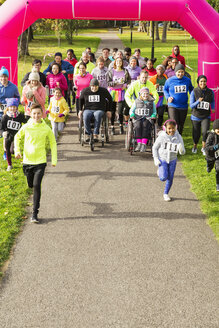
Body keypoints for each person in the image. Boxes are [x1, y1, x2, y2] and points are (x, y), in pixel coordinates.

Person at [15, 104, 57, 223]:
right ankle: (30, 185)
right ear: (30, 113)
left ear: (42, 114)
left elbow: (53, 143)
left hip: (40, 162)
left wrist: (54, 160)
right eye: (34, 113)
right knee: (30, 185)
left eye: (38, 113)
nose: (36, 116)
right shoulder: (26, 127)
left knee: (37, 185)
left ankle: (34, 214)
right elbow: (17, 137)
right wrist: (17, 151)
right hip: (27, 162)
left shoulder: (46, 128)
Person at [152, 119, 185, 201]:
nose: (171, 130)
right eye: (169, 128)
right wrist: (156, 158)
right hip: (163, 159)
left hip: (173, 160)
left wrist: (181, 150)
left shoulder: (178, 136)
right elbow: (154, 147)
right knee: (163, 178)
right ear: (165, 128)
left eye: (173, 128)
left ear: (176, 128)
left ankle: (166, 193)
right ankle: (160, 171)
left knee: (170, 178)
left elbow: (183, 152)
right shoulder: (162, 137)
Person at [164, 63, 193, 135]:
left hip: (183, 106)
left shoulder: (187, 80)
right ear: (175, 72)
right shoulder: (170, 80)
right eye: (178, 72)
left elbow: (191, 90)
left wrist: (193, 98)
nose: (180, 74)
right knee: (174, 123)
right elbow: (165, 89)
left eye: (182, 72)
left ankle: (178, 137)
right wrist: (168, 97)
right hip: (173, 105)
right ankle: (172, 138)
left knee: (181, 124)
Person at [190, 75, 215, 155]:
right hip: (196, 116)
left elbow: (213, 101)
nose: (203, 83)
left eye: (204, 81)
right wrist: (198, 101)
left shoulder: (210, 91)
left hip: (206, 116)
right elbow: (191, 105)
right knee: (196, 133)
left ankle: (203, 147)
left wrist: (213, 108)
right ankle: (195, 146)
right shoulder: (194, 91)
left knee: (205, 132)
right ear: (198, 82)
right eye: (201, 81)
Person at [0, 66, 20, 160]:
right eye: (1, 77)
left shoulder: (13, 87)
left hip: (9, 114)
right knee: (3, 133)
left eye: (5, 77)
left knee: (7, 134)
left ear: (8, 77)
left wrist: (12, 104)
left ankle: (6, 151)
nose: (3, 79)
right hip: (0, 113)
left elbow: (18, 98)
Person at [107, 57, 131, 134]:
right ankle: (112, 127)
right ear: (115, 62)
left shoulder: (125, 71)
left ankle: (121, 126)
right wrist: (114, 83)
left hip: (121, 92)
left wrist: (125, 84)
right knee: (112, 110)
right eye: (117, 61)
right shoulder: (111, 71)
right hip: (113, 92)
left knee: (120, 110)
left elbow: (128, 80)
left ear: (122, 63)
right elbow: (108, 82)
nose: (119, 62)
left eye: (120, 61)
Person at [1, 98, 26, 171]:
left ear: (17, 107)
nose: (12, 108)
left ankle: (15, 153)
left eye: (14, 107)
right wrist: (3, 132)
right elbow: (1, 128)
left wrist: (30, 118)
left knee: (12, 150)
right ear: (8, 107)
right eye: (11, 107)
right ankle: (9, 165)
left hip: (17, 136)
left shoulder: (20, 115)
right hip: (8, 136)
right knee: (8, 150)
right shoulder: (5, 117)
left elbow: (25, 121)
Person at [130, 87, 156, 152]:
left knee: (145, 126)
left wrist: (153, 115)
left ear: (149, 94)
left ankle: (144, 144)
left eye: (147, 94)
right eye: (144, 94)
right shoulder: (136, 101)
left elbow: (154, 111)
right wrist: (132, 114)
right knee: (138, 126)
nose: (145, 95)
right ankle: (139, 144)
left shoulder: (152, 102)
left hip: (147, 118)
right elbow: (131, 110)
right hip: (137, 118)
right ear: (140, 94)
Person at [205, 119, 219, 192]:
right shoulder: (211, 136)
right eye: (218, 131)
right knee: (210, 166)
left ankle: (218, 184)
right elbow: (206, 147)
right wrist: (215, 147)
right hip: (211, 155)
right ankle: (209, 166)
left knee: (218, 169)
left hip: (218, 156)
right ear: (214, 129)